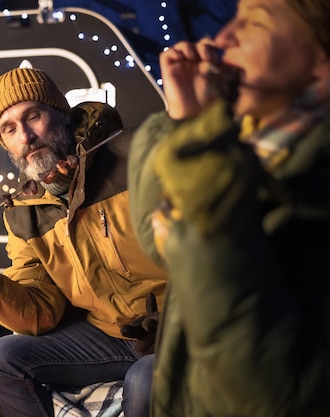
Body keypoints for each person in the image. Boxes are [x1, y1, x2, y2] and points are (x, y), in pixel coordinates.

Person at [0, 66, 168, 417]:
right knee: (2, 359)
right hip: (111, 336)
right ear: (5, 144)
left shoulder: (134, 156)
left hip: (180, 326)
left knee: (144, 379)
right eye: (9, 129)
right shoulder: (24, 212)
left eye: (33, 116)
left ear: (62, 115)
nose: (25, 136)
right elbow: (39, 311)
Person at [128, 0, 330, 415]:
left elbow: (278, 393)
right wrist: (182, 118)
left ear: (322, 63)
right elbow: (159, 241)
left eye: (254, 22)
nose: (222, 38)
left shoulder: (310, 182)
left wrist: (208, 173)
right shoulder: (251, 142)